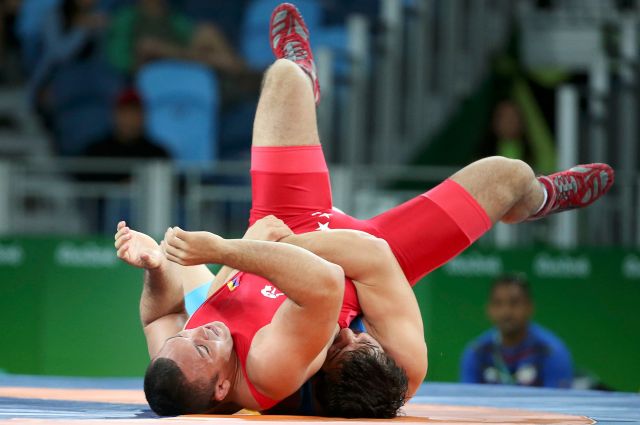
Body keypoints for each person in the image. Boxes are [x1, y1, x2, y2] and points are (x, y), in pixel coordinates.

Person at [114, 2, 614, 418]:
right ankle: (538, 200)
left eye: (190, 337)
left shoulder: (183, 362)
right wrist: (236, 249)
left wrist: (156, 268)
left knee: (284, 76)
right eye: (354, 340)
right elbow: (347, 269)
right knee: (509, 176)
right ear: (223, 387)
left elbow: (166, 311)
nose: (201, 330)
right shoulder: (278, 369)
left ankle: (307, 79)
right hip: (360, 256)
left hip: (287, 229)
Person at [460, 275, 574, 388]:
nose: (506, 312)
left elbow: (556, 404)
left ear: (529, 307)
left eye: (514, 303)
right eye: (498, 303)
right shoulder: (476, 352)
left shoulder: (551, 352)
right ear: (489, 309)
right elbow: (468, 402)